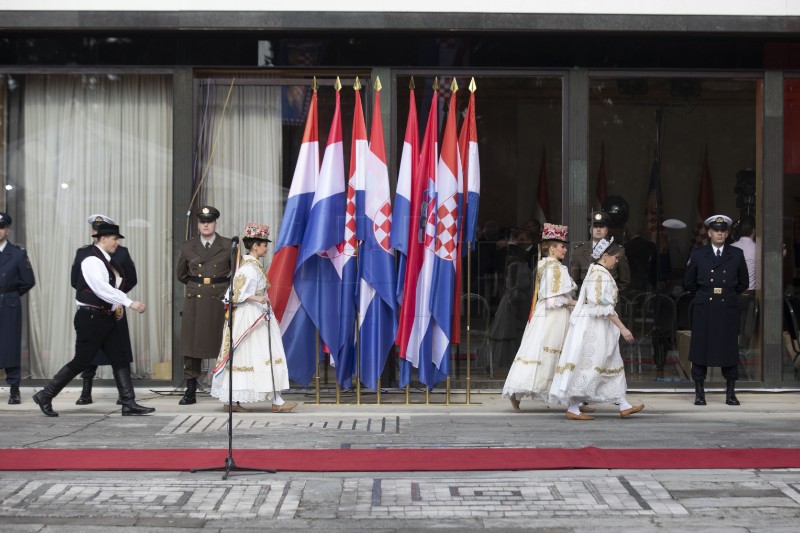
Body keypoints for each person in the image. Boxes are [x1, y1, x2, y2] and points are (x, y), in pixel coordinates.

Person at [32, 223, 154, 417]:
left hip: (105, 316)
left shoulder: (108, 261)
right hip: (91, 317)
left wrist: (116, 306)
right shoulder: (91, 260)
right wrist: (129, 302)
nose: (117, 242)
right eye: (115, 238)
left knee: (120, 358)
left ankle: (128, 402)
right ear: (103, 238)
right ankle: (45, 395)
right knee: (82, 360)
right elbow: (100, 288)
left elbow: (111, 289)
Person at [548, 238, 644, 420]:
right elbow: (602, 305)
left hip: (601, 325)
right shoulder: (599, 275)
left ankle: (623, 404)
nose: (617, 261)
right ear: (605, 256)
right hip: (595, 327)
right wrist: (623, 328)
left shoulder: (599, 272)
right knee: (591, 364)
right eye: (615, 257)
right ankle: (574, 407)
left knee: (610, 362)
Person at [210, 222, 297, 413]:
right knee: (257, 354)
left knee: (264, 354)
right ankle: (245, 401)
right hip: (249, 316)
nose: (266, 247)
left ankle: (275, 400)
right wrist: (257, 297)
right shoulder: (248, 268)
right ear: (255, 245)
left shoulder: (253, 266)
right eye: (264, 244)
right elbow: (233, 294)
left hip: (256, 312)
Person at [502, 223, 576, 409]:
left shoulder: (546, 265)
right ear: (551, 248)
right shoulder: (555, 268)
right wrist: (577, 303)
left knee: (536, 351)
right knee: (551, 353)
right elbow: (553, 299)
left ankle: (519, 393)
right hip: (554, 317)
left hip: (545, 315)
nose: (565, 249)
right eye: (561, 246)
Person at [71, 214, 138, 406]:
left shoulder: (121, 252)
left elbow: (130, 279)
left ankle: (124, 397)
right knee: (87, 354)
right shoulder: (84, 253)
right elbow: (76, 281)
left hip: (115, 307)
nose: (95, 232)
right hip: (94, 309)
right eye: (94, 228)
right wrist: (93, 297)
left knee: (119, 352)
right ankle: (86, 392)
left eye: (100, 228)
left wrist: (117, 299)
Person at [684, 215, 749, 406]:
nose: (719, 233)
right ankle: (699, 393)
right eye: (716, 230)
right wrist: (706, 294)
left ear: (727, 233)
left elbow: (743, 282)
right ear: (709, 233)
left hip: (727, 307)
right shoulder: (698, 253)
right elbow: (689, 282)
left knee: (728, 350)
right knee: (700, 349)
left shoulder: (736, 254)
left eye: (723, 231)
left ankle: (730, 393)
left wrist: (726, 294)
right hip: (705, 306)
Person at [176, 206, 231, 405]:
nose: (205, 225)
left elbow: (237, 272)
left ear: (215, 223)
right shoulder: (187, 246)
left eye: (209, 221)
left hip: (219, 298)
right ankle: (190, 389)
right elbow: (181, 275)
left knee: (223, 342)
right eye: (202, 221)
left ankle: (225, 386)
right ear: (198, 224)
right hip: (195, 299)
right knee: (191, 345)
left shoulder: (227, 245)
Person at [0, 212, 36, 405]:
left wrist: (11, 294)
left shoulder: (18, 253)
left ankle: (14, 389)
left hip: (9, 304)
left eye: (2, 227)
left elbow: (28, 281)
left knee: (10, 346)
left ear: (8, 229)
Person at [569, 211, 630, 294]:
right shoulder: (578, 251)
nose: (598, 229)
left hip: (610, 302)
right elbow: (574, 280)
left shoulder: (618, 251)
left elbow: (624, 281)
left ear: (607, 230)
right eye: (595, 226)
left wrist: (612, 294)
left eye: (601, 226)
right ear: (590, 230)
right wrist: (586, 294)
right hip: (587, 302)